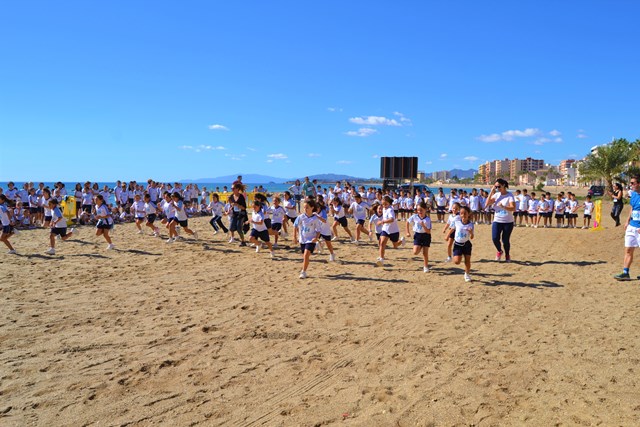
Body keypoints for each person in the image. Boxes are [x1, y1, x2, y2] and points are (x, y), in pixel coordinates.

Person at [614, 176, 640, 280]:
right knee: (628, 250)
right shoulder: (633, 194)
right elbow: (632, 208)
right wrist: (627, 221)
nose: (631, 185)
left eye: (633, 183)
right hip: (632, 226)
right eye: (631, 183)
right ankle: (625, 272)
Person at [485, 178, 516, 262]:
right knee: (495, 238)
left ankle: (507, 255)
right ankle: (499, 251)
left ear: (504, 185)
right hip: (497, 220)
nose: (497, 188)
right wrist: (491, 191)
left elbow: (513, 208)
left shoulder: (510, 195)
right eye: (496, 186)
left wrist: (503, 207)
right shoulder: (496, 195)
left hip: (508, 222)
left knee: (505, 240)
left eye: (499, 186)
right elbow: (487, 204)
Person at [293, 199, 322, 279]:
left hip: (311, 240)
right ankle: (317, 245)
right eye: (304, 207)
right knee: (305, 256)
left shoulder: (315, 219)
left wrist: (316, 238)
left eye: (307, 207)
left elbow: (318, 230)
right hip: (302, 239)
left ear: (312, 208)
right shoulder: (301, 217)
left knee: (306, 255)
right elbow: (295, 226)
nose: (305, 209)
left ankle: (303, 272)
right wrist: (295, 237)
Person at [375, 196, 405, 266]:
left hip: (394, 231)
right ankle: (381, 259)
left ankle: (401, 241)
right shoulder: (384, 209)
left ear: (389, 203)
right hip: (385, 229)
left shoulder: (390, 210)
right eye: (383, 204)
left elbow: (392, 219)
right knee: (382, 242)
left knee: (395, 246)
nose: (384, 206)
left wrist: (382, 221)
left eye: (385, 204)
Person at [405, 201, 431, 273]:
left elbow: (428, 231)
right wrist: (407, 232)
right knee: (415, 252)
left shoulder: (428, 219)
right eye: (418, 210)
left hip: (426, 236)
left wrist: (423, 225)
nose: (419, 211)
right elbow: (407, 222)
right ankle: (420, 246)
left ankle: (426, 266)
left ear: (425, 210)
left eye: (421, 210)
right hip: (417, 235)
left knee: (425, 253)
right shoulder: (414, 216)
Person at [452, 206, 475, 282]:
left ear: (468, 214)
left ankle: (467, 274)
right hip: (457, 244)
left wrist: (471, 232)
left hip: (466, 244)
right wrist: (447, 235)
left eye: (465, 213)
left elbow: (472, 237)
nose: (463, 215)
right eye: (461, 213)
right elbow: (452, 229)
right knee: (457, 262)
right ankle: (458, 255)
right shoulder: (457, 222)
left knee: (467, 261)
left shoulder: (471, 224)